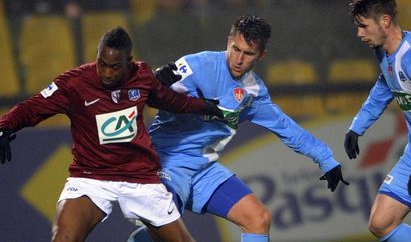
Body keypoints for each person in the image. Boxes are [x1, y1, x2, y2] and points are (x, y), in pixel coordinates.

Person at [130, 15, 349, 242]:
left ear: (261, 55)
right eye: (235, 49)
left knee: (258, 219)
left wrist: (326, 159)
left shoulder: (254, 93)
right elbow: (149, 86)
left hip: (202, 168)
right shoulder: (199, 65)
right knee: (167, 228)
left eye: (248, 54)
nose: (238, 59)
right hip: (165, 160)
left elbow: (286, 127)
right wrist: (156, 77)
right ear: (228, 42)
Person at [0, 27, 224, 242]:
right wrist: (5, 126)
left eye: (115, 67)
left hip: (140, 177)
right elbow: (33, 107)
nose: (107, 73)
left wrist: (202, 106)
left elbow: (168, 100)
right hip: (92, 176)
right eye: (102, 64)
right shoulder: (74, 83)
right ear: (97, 57)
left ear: (129, 62)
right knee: (63, 238)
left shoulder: (142, 76)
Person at [344, 0, 411, 241]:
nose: (359, 33)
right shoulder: (383, 52)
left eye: (363, 26)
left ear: (385, 21)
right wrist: (356, 127)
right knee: (381, 222)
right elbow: (383, 88)